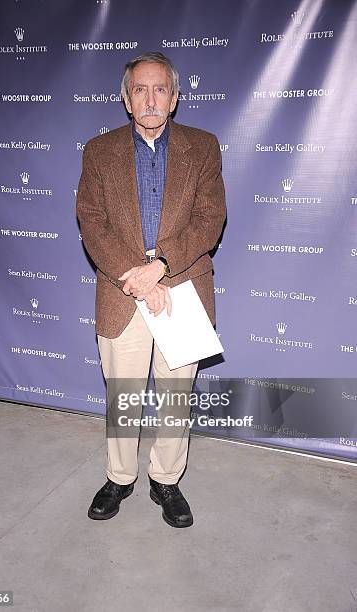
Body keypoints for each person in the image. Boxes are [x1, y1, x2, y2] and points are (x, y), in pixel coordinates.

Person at [76, 51, 226, 528]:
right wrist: (135, 275)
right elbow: (92, 223)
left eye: (160, 88)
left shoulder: (203, 147)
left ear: (175, 97)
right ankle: (119, 477)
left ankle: (166, 478)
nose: (150, 98)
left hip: (181, 288)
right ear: (126, 99)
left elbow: (210, 220)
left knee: (175, 395)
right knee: (122, 393)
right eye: (139, 89)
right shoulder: (98, 152)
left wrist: (159, 266)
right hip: (121, 292)